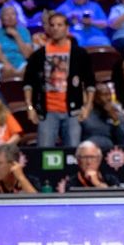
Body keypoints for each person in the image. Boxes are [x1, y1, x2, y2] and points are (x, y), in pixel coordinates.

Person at [23, 12, 95, 147]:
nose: (55, 28)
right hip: (47, 111)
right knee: (44, 155)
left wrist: (88, 106)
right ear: (48, 28)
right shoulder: (38, 55)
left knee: (73, 153)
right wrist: (30, 107)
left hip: (73, 111)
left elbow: (90, 82)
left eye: (59, 25)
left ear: (67, 28)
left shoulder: (79, 54)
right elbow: (28, 83)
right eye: (52, 25)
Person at [0, 4, 33, 77]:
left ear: (17, 17)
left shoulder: (24, 31)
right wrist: (9, 66)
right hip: (3, 64)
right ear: (1, 18)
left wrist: (17, 36)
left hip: (22, 63)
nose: (10, 17)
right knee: (6, 70)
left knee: (30, 69)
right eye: (6, 15)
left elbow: (27, 55)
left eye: (13, 14)